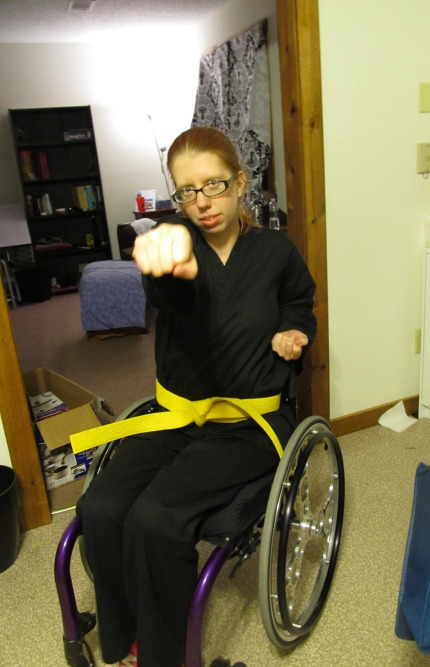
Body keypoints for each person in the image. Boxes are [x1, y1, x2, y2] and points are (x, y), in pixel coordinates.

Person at [76, 126, 316, 667]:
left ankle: (161, 657)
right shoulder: (175, 243)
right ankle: (126, 637)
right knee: (103, 504)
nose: (202, 202)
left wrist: (294, 329)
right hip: (175, 414)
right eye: (187, 191)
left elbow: (299, 302)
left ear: (239, 182)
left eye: (214, 184)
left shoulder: (275, 250)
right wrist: (172, 273)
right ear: (176, 197)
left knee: (158, 516)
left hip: (248, 424)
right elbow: (174, 296)